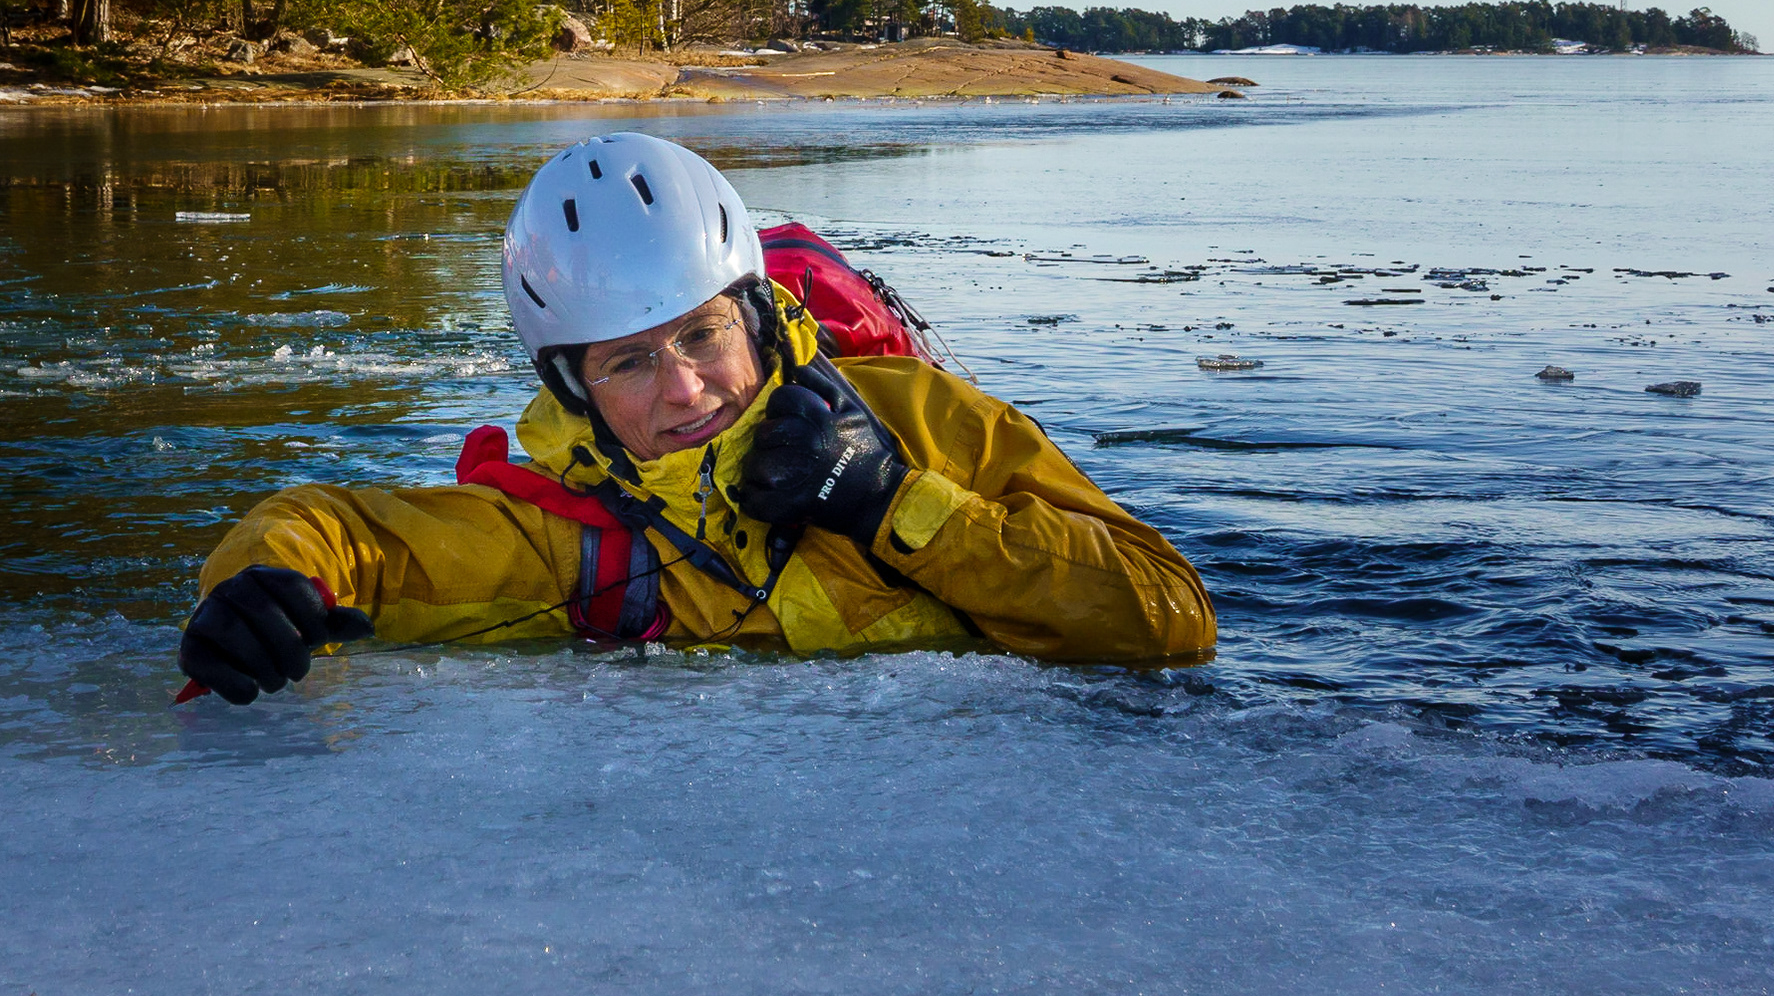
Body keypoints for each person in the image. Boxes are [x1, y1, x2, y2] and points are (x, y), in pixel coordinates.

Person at [178, 133, 1216, 704]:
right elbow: (347, 533)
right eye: (629, 361)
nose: (683, 391)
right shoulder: (571, 534)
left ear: (759, 319)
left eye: (702, 337)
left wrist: (900, 504)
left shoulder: (922, 419)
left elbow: (1173, 620)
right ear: (573, 389)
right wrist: (257, 587)